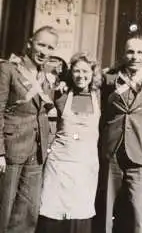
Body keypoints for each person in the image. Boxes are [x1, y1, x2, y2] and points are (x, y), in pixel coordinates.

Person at [95, 34, 142, 233]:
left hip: (140, 151)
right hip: (112, 149)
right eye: (130, 51)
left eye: (140, 52)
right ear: (123, 54)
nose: (135, 56)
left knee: (137, 209)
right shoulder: (109, 80)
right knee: (106, 206)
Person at [0, 25, 59, 233]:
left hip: (37, 148)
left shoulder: (49, 77)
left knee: (28, 211)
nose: (45, 51)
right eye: (41, 44)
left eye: (50, 47)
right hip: (11, 147)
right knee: (4, 208)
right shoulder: (9, 69)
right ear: (29, 44)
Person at [37, 52, 102, 233]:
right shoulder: (61, 96)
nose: (81, 76)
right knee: (53, 214)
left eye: (85, 71)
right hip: (59, 163)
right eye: (76, 71)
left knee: (79, 214)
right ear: (70, 73)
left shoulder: (99, 96)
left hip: (85, 165)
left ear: (93, 73)